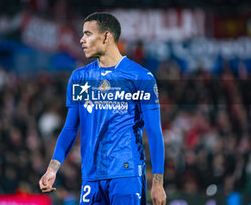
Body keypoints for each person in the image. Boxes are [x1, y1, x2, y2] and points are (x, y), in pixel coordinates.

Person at [39, 12, 166, 205]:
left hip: (126, 175)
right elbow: (70, 128)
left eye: (88, 34)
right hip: (91, 176)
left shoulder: (140, 77)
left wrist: (157, 183)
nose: (81, 40)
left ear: (107, 36)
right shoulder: (80, 78)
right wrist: (52, 168)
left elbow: (155, 132)